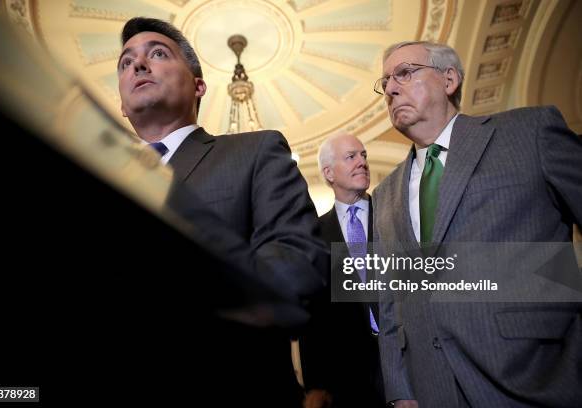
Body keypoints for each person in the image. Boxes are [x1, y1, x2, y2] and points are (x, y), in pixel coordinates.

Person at [117, 17, 328, 406]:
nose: (138, 65)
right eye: (126, 62)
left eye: (158, 54)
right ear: (122, 107)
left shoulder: (257, 151)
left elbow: (297, 262)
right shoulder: (107, 174)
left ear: (199, 86)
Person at [372, 40, 582, 407]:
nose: (390, 89)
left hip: (536, 379)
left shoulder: (528, 133)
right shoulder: (384, 193)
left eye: (404, 73)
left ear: (449, 79)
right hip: (432, 389)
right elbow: (391, 301)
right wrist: (399, 390)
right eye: (386, 82)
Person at [300, 132, 385, 408]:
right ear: (328, 173)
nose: (361, 162)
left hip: (408, 364)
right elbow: (312, 313)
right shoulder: (315, 233)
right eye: (351, 157)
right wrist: (315, 384)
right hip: (348, 380)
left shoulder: (394, 214)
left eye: (363, 155)